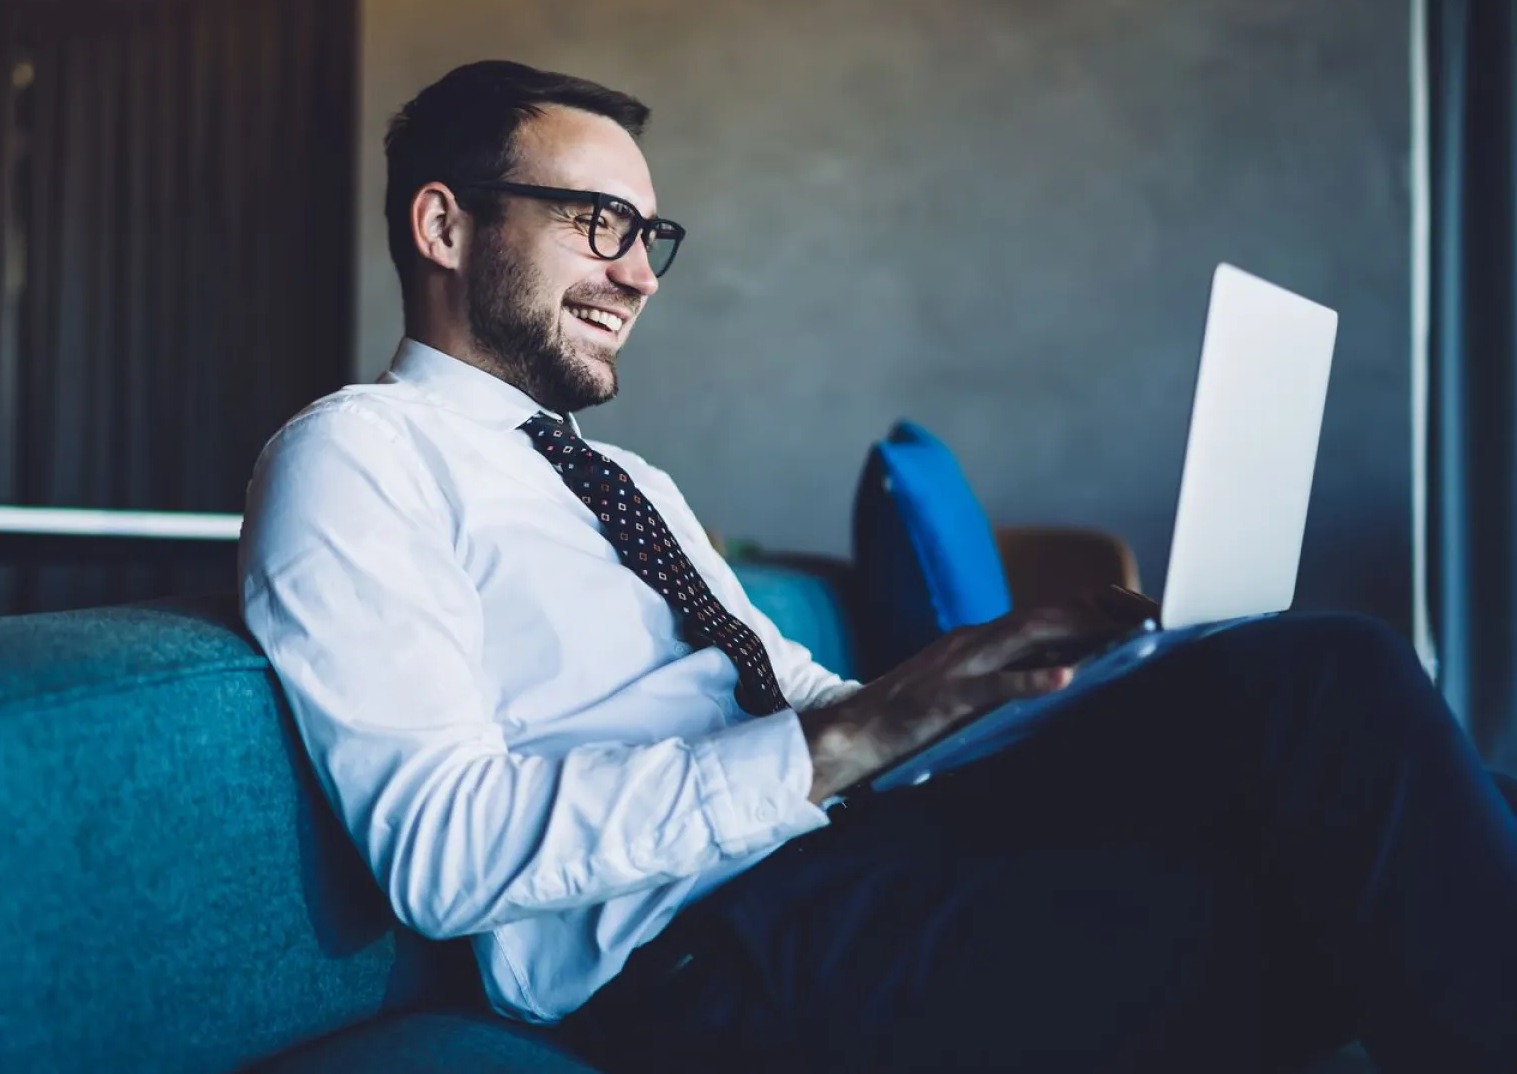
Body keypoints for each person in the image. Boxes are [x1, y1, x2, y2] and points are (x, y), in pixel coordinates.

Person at [239, 60, 1517, 1072]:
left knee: (1318, 678)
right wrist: (852, 743)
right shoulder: (356, 458)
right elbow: (443, 856)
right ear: (444, 222)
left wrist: (978, 696)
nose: (639, 273)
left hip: (860, 846)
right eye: (597, 223)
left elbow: (789, 692)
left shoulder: (628, 483)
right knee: (1325, 901)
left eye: (649, 233)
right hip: (705, 951)